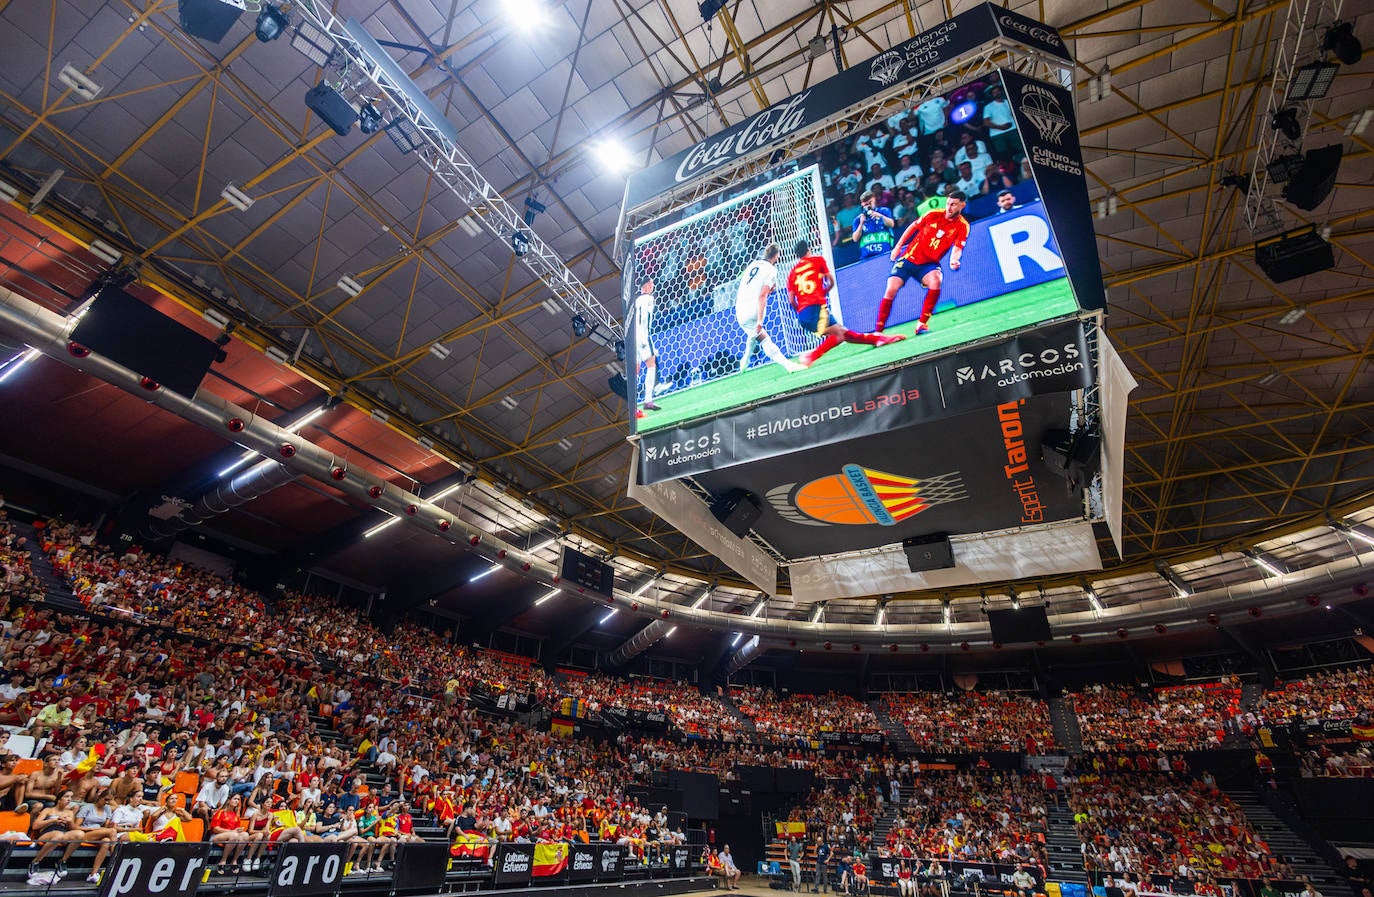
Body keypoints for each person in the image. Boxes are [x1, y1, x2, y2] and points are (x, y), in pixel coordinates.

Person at [788, 240, 902, 368]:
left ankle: (878, 340)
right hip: (816, 307)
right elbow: (830, 281)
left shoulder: (792, 273)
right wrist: (823, 292)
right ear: (808, 250)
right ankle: (811, 356)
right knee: (839, 335)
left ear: (797, 255)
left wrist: (801, 311)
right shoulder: (818, 260)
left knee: (843, 332)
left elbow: (791, 300)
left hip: (803, 315)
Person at [875, 191, 969, 335]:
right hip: (909, 258)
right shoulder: (933, 214)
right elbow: (912, 227)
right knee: (891, 289)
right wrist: (898, 247)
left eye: (953, 205)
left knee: (936, 281)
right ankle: (878, 333)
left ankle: (922, 324)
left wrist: (954, 260)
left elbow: (958, 247)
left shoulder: (963, 226)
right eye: (948, 203)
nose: (949, 208)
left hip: (929, 264)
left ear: (962, 205)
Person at [735, 243, 804, 373]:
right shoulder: (771, 270)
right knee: (764, 339)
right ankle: (788, 365)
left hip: (740, 308)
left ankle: (744, 362)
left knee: (753, 334)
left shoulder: (753, 265)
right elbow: (762, 296)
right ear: (777, 255)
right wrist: (760, 320)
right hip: (753, 309)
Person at [631, 279, 661, 419]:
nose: (653, 286)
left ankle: (633, 407)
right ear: (646, 286)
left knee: (635, 371)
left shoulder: (636, 300)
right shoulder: (649, 298)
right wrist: (645, 340)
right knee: (651, 364)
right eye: (651, 283)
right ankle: (648, 400)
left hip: (633, 338)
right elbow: (645, 320)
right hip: (643, 336)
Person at [852, 190, 897, 260]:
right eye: (866, 204)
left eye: (870, 202)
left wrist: (880, 216)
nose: (868, 206)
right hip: (866, 257)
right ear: (862, 204)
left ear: (874, 199)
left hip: (885, 253)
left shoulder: (884, 211)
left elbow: (892, 224)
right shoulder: (857, 220)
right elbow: (855, 238)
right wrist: (861, 223)